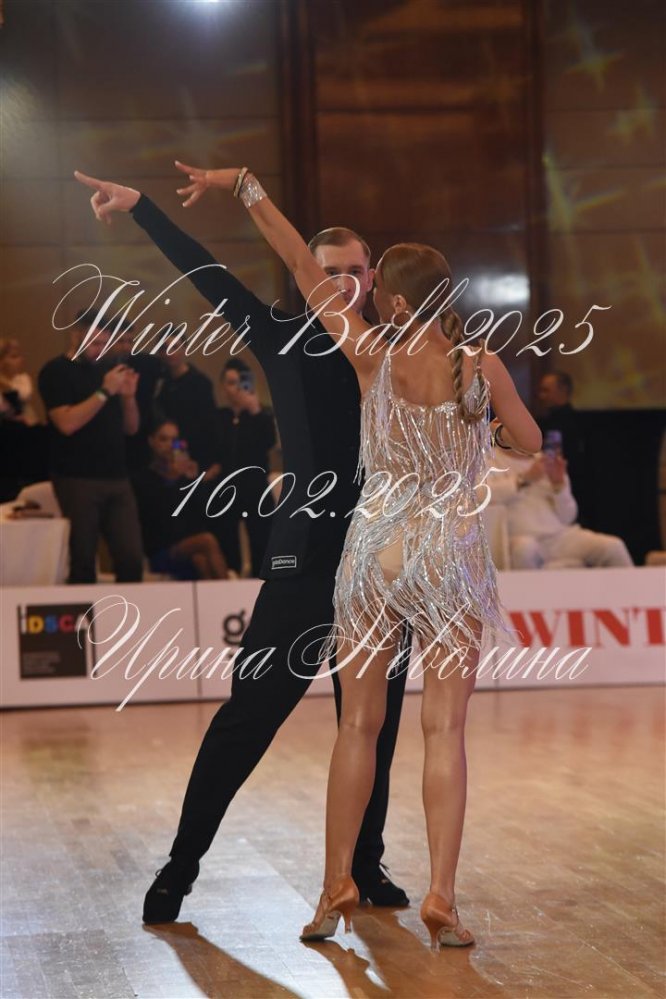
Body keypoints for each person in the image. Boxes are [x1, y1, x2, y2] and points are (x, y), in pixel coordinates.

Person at [168, 162, 542, 949]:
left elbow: (299, 265)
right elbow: (531, 442)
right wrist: (484, 432)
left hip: (372, 550)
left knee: (357, 726)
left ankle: (337, 882)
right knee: (444, 730)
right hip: (446, 553)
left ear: (392, 298)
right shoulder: (480, 366)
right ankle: (441, 896)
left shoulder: (369, 353)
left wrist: (245, 185)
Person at [74, 170, 411, 921]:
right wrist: (143, 209)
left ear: (374, 277)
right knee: (248, 717)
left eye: (357, 271)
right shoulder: (279, 334)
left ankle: (365, 863)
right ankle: (180, 866)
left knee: (374, 723)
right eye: (329, 270)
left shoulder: (393, 350)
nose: (345, 282)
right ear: (305, 274)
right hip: (305, 560)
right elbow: (205, 273)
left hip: (383, 560)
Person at [37, 310, 144, 584]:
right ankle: (82, 612)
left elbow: (131, 428)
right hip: (77, 477)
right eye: (95, 343)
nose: (100, 350)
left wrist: (129, 398)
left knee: (131, 557)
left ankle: (129, 609)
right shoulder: (56, 371)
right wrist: (104, 392)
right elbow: (66, 423)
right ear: (76, 335)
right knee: (83, 558)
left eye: (105, 344)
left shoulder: (108, 371)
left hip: (117, 475)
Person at [487, 445, 633, 568]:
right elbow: (482, 496)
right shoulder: (488, 459)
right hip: (520, 538)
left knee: (613, 547)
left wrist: (559, 485)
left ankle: (635, 594)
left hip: (560, 536)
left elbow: (568, 516)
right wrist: (524, 479)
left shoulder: (546, 461)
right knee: (525, 549)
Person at [132, 417, 229, 579]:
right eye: (163, 439)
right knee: (207, 540)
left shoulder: (184, 476)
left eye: (174, 440)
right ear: (152, 442)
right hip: (161, 550)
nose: (170, 445)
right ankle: (230, 592)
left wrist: (193, 482)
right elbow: (157, 521)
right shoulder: (143, 480)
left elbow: (204, 515)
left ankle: (220, 595)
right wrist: (175, 481)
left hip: (191, 549)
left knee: (201, 561)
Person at [212, 357, 277, 576]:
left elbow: (270, 441)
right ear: (223, 386)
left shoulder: (261, 414)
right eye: (231, 383)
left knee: (261, 537)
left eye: (241, 382)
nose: (236, 388)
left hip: (255, 485)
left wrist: (255, 409)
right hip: (226, 485)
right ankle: (230, 575)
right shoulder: (219, 417)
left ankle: (261, 578)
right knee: (227, 538)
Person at [537, 370, 593, 526]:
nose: (541, 396)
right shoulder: (543, 422)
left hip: (574, 487)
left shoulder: (580, 424)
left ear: (563, 390)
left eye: (546, 390)